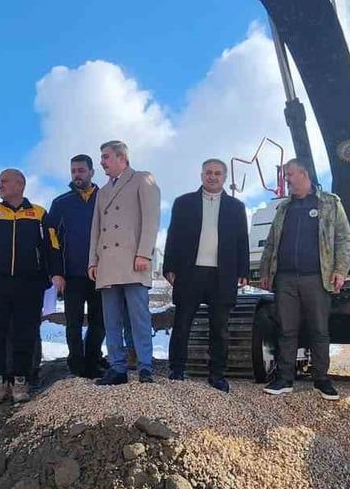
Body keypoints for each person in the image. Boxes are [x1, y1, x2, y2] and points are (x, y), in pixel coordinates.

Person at [0, 169, 63, 404]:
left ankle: (20, 383)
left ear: (20, 184)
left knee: (25, 333)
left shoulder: (39, 214)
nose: (0, 185)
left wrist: (57, 273)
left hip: (30, 283)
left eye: (4, 181)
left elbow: (52, 247)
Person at [257, 158, 350, 400]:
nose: (286, 179)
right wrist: (265, 271)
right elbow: (270, 243)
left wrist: (340, 270)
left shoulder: (330, 203)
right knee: (286, 330)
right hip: (285, 279)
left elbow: (343, 239)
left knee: (319, 330)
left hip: (316, 278)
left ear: (304, 174)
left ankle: (321, 380)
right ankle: (284, 379)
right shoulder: (283, 208)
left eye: (289, 174)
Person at [163, 159, 249, 391]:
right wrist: (168, 265)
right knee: (182, 324)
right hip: (189, 272)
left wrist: (243, 270)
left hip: (223, 274)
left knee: (220, 328)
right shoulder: (183, 203)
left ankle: (217, 374)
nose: (212, 177)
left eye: (217, 173)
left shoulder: (236, 207)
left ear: (224, 177)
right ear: (202, 175)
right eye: (208, 172)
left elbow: (242, 240)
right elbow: (173, 236)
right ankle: (177, 369)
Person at [87, 140, 160, 385]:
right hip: (107, 264)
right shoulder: (102, 191)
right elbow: (95, 229)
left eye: (105, 157)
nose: (102, 162)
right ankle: (117, 367)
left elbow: (151, 219)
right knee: (112, 320)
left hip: (133, 261)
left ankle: (145, 367)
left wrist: (144, 254)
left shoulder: (142, 179)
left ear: (122, 158)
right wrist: (92, 262)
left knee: (139, 318)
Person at [45, 154, 106, 378]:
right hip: (71, 275)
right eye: (73, 171)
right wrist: (57, 273)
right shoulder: (61, 203)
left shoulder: (105, 198)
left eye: (81, 170)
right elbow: (51, 241)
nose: (77, 175)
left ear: (91, 171)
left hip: (102, 273)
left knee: (100, 321)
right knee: (74, 322)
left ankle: (93, 359)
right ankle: (76, 363)